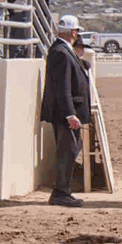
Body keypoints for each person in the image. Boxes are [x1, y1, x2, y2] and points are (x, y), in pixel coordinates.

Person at [41, 14, 91, 208]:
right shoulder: (61, 52)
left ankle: (63, 190)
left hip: (67, 111)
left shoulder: (62, 50)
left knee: (70, 149)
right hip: (65, 113)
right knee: (67, 151)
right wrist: (70, 114)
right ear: (73, 32)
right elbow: (62, 87)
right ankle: (61, 191)